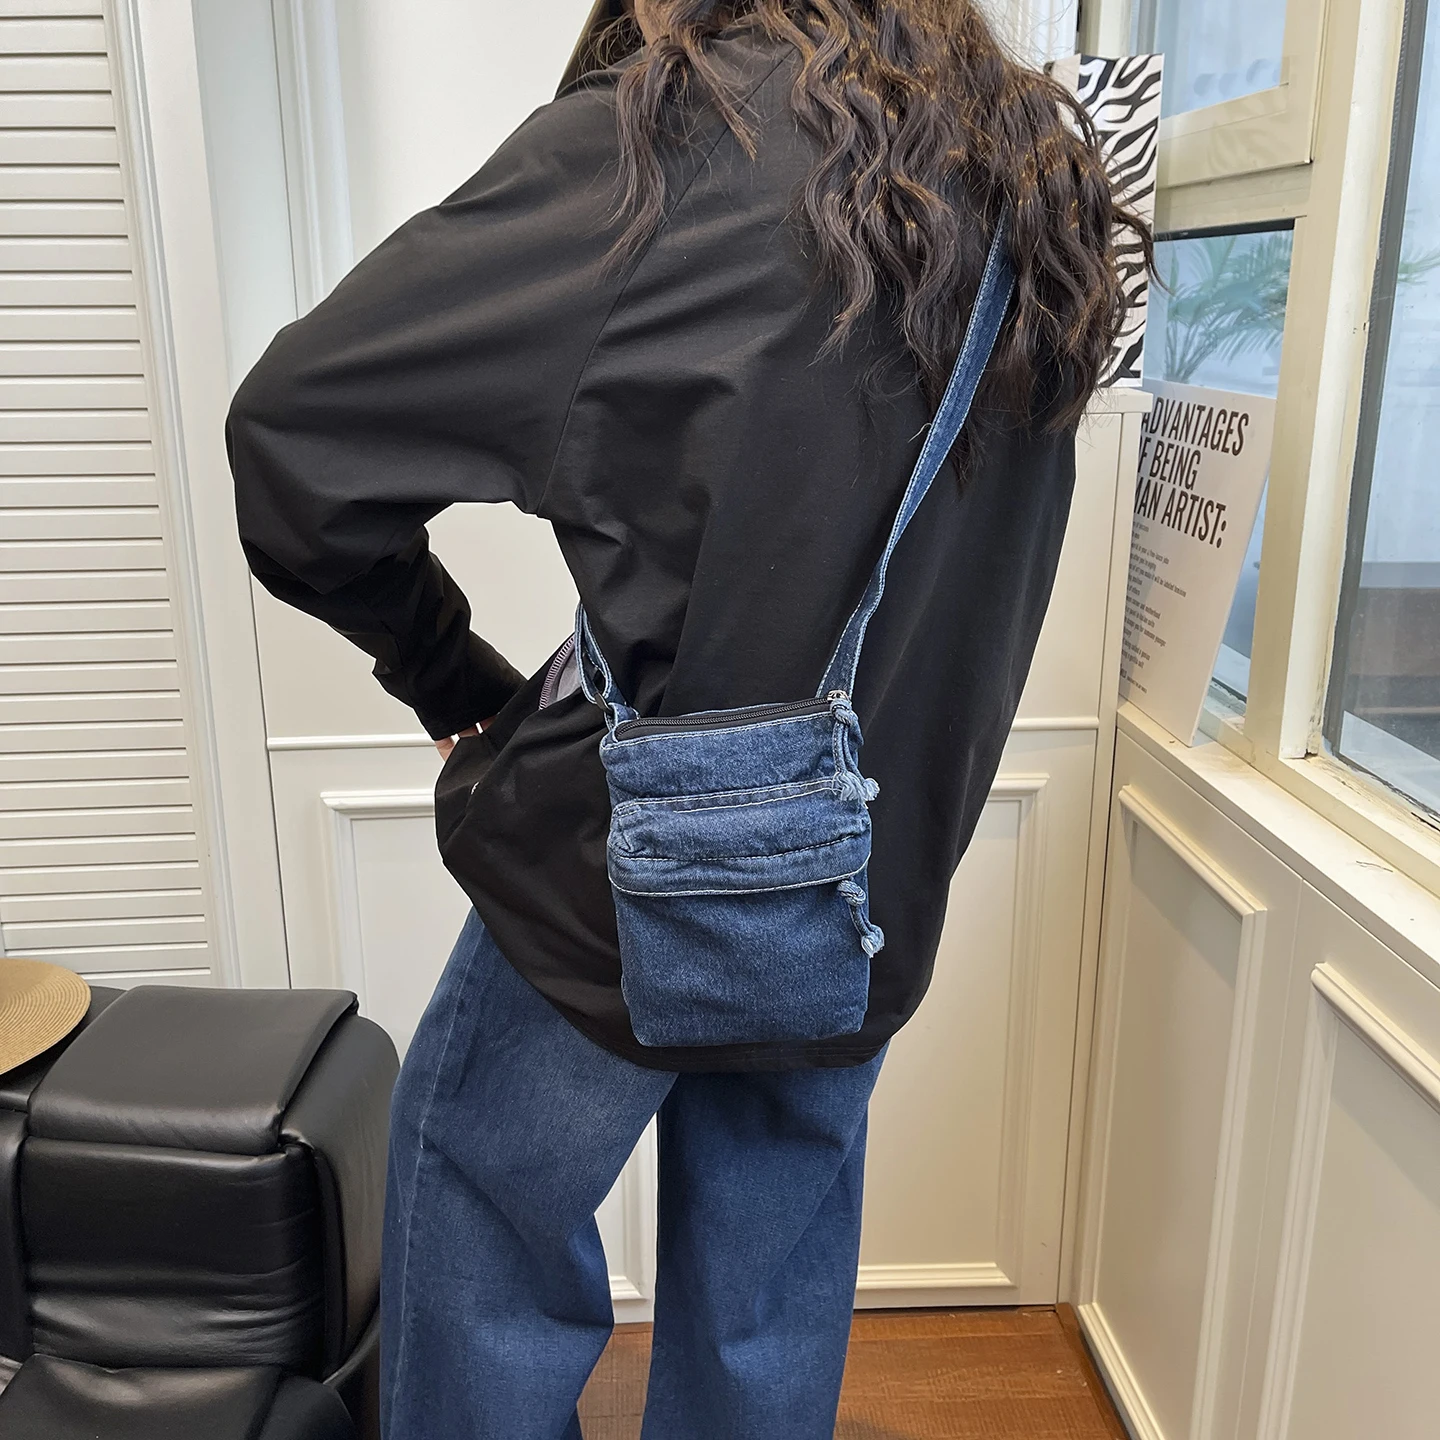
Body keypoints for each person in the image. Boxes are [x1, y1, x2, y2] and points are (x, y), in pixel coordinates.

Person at [225, 1, 1147, 1435]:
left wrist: (451, 679)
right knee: (767, 1294)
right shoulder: (1037, 174)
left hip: (618, 877)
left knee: (480, 1221)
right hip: (868, 878)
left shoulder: (668, 146)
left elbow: (293, 434)